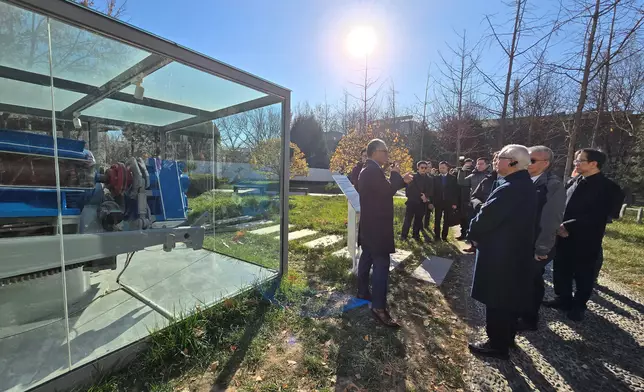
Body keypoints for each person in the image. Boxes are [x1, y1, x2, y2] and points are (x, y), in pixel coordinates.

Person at [468, 144, 537, 360]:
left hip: (500, 254)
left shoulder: (510, 187)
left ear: (513, 162)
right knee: (508, 297)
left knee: (496, 298)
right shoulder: (523, 184)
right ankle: (506, 337)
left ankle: (496, 344)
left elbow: (486, 217)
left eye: (500, 157)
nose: (496, 161)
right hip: (513, 252)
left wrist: (473, 232)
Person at [545, 149, 623, 322]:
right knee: (561, 269)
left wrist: (570, 226)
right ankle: (563, 299)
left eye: (579, 161)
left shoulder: (609, 188)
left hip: (586, 239)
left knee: (583, 273)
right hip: (562, 235)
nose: (575, 164)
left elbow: (603, 215)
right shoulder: (574, 181)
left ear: (593, 164)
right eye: (575, 161)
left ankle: (579, 306)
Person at [356, 139, 413, 327]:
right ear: (374, 152)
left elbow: (384, 190)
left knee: (366, 258)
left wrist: (401, 181)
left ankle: (363, 291)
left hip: (370, 226)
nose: (387, 155)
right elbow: (387, 190)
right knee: (381, 265)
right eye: (385, 151)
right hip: (377, 228)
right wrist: (396, 174)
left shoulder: (370, 170)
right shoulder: (371, 170)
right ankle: (379, 307)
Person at [516, 146, 566, 331]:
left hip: (537, 243)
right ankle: (519, 312)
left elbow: (551, 219)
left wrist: (542, 248)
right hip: (521, 241)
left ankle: (529, 319)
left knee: (531, 281)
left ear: (546, 163)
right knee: (521, 279)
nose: (528, 163)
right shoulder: (522, 178)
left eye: (533, 160)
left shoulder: (552, 184)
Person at [463, 153, 499, 253]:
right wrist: (462, 171)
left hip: (492, 209)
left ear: (487, 165)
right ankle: (474, 246)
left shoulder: (491, 176)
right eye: (477, 164)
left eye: (481, 164)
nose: (478, 166)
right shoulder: (476, 175)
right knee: (473, 224)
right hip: (477, 205)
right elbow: (463, 183)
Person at [402, 161, 432, 241]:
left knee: (418, 220)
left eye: (425, 168)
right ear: (418, 168)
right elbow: (408, 191)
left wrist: (426, 196)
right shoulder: (412, 177)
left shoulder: (429, 179)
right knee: (408, 220)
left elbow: (431, 190)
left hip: (422, 203)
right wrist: (420, 195)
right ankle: (404, 236)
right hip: (412, 202)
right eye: (422, 167)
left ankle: (415, 236)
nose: (424, 169)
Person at [433, 161, 459, 241]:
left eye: (443, 167)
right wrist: (432, 202)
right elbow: (433, 191)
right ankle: (437, 236)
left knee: (446, 219)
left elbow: (455, 191)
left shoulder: (453, 178)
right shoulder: (436, 178)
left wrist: (454, 203)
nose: (441, 169)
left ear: (447, 168)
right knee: (437, 219)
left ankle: (444, 236)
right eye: (440, 168)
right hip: (438, 201)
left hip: (448, 202)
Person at [456, 158, 474, 240]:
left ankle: (471, 235)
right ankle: (463, 233)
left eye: (470, 164)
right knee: (463, 216)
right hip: (463, 196)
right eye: (466, 164)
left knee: (471, 217)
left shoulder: (475, 172)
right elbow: (460, 182)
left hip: (472, 196)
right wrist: (462, 171)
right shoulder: (461, 171)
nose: (468, 166)